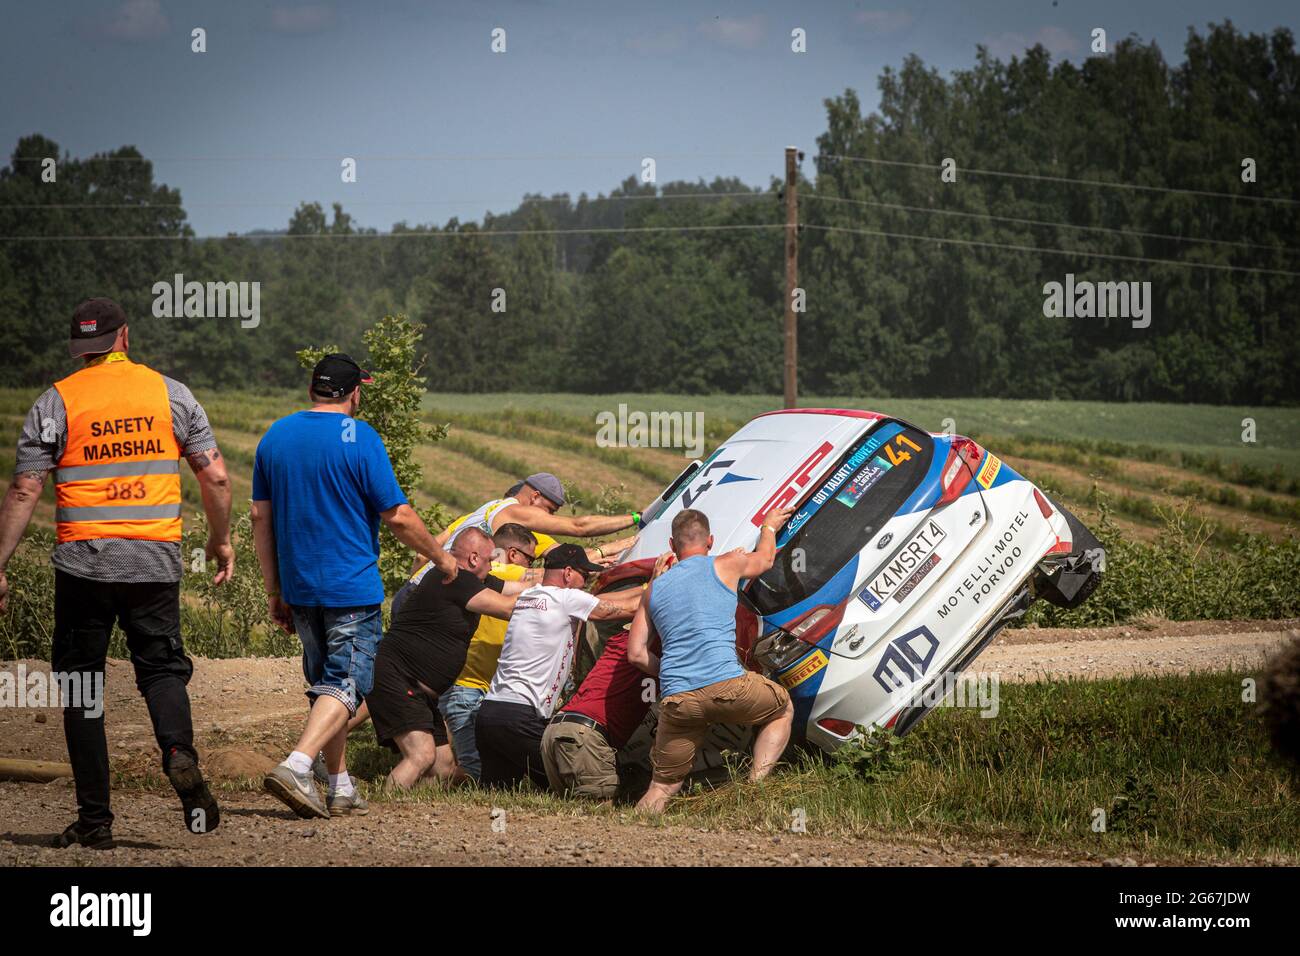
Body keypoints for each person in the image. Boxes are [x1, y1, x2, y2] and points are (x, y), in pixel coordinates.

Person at [0, 298, 232, 848]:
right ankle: (178, 753)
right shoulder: (171, 394)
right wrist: (221, 541)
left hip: (84, 563)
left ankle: (95, 823)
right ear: (124, 337)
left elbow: (25, 489)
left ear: (79, 350)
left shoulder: (54, 402)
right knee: (160, 669)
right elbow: (216, 477)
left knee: (84, 688)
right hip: (154, 559)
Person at [253, 353, 457, 820]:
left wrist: (273, 590)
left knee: (329, 686)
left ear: (311, 391)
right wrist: (441, 556)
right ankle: (297, 764)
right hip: (349, 588)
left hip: (299, 587)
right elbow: (398, 516)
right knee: (346, 685)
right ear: (354, 394)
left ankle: (340, 784)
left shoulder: (275, 435)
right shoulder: (359, 437)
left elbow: (260, 517)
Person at [630, 506, 796, 813]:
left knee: (662, 785)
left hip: (678, 698)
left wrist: (670, 674)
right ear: (710, 541)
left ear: (672, 545)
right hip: (729, 686)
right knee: (782, 708)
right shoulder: (727, 563)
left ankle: (627, 840)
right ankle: (753, 789)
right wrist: (769, 528)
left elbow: (636, 653)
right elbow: (766, 559)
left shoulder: (653, 589)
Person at [476, 544, 640, 789]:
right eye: (583, 576)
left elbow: (598, 601)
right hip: (521, 715)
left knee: (497, 793)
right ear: (567, 573)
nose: (585, 582)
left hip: (490, 711)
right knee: (570, 783)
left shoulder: (528, 597)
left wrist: (643, 588)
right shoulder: (566, 598)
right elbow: (620, 610)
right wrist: (658, 585)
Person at [367, 527, 519, 789]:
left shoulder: (472, 580)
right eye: (489, 560)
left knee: (443, 766)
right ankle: (380, 813)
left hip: (420, 690)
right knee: (421, 755)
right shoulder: (455, 579)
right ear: (473, 558)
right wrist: (554, 599)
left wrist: (558, 585)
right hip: (399, 676)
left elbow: (524, 585)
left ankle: (413, 818)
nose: (493, 566)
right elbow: (507, 608)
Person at [540, 553, 674, 799]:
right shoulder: (649, 647)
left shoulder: (619, 640)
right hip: (585, 737)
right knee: (598, 824)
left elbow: (604, 601)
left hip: (557, 732)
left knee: (567, 824)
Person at [436, 522, 540, 783]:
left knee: (468, 761)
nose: (531, 564)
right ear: (514, 554)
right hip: (468, 688)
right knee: (476, 767)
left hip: (468, 686)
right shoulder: (508, 572)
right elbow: (548, 578)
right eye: (531, 558)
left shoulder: (479, 577)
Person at [436, 474, 641, 558]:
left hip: (421, 586)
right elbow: (579, 527)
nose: (549, 517)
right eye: (550, 510)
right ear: (534, 497)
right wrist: (636, 517)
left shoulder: (487, 508)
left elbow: (423, 554)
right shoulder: (515, 514)